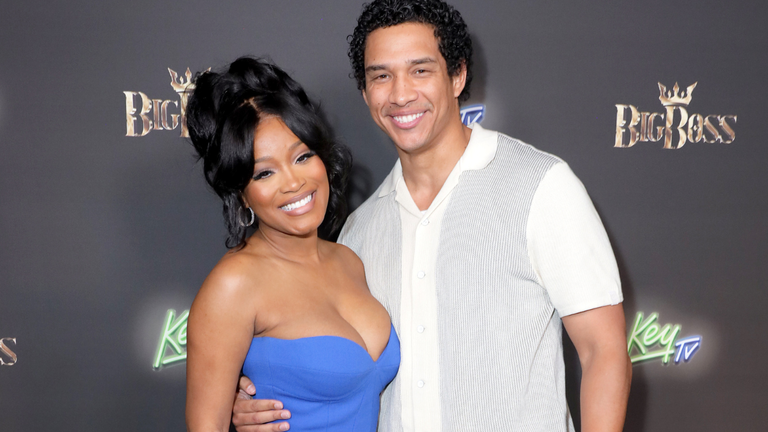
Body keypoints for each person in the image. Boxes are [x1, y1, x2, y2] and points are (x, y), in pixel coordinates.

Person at [233, 0, 632, 431]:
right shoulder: (357, 234)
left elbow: (603, 353)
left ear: (457, 75)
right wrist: (255, 398)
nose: (401, 94)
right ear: (365, 93)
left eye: (420, 70)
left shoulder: (541, 187)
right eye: (381, 76)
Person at [184, 56, 400, 432]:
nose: (294, 182)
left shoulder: (349, 259)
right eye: (265, 173)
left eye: (302, 156)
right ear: (242, 194)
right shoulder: (234, 284)